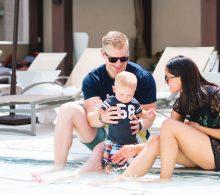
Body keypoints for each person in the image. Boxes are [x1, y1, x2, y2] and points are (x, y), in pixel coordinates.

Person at [32, 31, 156, 181]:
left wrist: (141, 124)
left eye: (123, 58)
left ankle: (83, 170)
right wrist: (102, 117)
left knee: (99, 151)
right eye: (113, 58)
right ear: (103, 54)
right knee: (67, 109)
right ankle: (58, 166)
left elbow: (148, 116)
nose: (118, 63)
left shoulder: (142, 78)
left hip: (131, 139)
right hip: (104, 134)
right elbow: (91, 118)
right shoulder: (93, 79)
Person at [122, 55, 220, 179]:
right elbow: (167, 139)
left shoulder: (217, 96)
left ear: (183, 77)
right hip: (200, 154)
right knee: (155, 141)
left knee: (168, 124)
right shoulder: (183, 101)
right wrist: (137, 148)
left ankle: (164, 180)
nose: (166, 82)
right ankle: (122, 181)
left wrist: (199, 128)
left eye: (168, 78)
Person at [100, 71, 155, 172]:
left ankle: (125, 172)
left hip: (131, 142)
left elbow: (140, 113)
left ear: (134, 92)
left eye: (129, 95)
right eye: (121, 94)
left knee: (131, 163)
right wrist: (103, 116)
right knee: (111, 160)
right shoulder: (111, 101)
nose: (125, 98)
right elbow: (101, 110)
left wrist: (147, 115)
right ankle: (108, 172)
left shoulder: (134, 102)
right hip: (114, 141)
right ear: (114, 89)